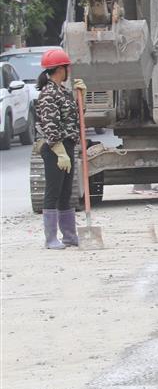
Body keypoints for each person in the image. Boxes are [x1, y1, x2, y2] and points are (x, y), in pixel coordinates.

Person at [35, 49, 86, 248]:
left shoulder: (62, 91)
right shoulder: (48, 94)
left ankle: (69, 236)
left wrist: (82, 97)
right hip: (55, 148)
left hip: (67, 145)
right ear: (60, 69)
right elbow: (50, 126)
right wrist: (60, 151)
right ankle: (50, 239)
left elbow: (75, 120)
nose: (69, 70)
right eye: (67, 67)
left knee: (66, 193)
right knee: (53, 191)